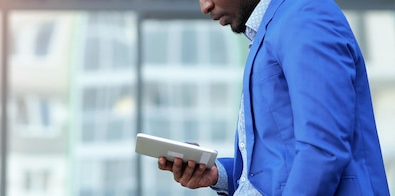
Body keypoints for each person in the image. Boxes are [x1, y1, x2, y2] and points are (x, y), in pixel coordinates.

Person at [157, 0, 392, 195]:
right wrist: (218, 173)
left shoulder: (305, 16)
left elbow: (323, 150)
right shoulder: (276, 27)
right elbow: (280, 166)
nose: (205, 6)